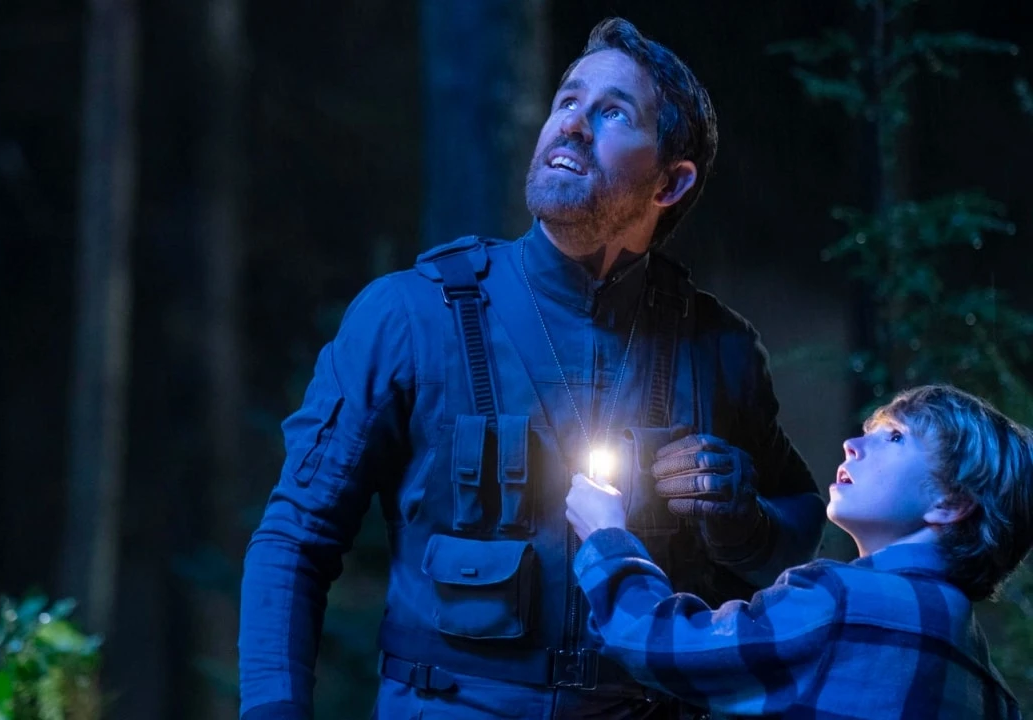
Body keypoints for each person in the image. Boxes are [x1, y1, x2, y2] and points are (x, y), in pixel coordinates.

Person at [239, 16, 827, 720]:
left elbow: (795, 538)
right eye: (567, 100)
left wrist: (743, 521)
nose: (573, 124)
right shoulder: (411, 317)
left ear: (671, 182)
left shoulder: (719, 350)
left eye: (613, 113)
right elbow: (295, 538)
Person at [565, 384, 1031, 719]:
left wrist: (606, 536)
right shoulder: (992, 689)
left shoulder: (842, 602)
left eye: (895, 437)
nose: (852, 445)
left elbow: (660, 646)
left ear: (951, 502)